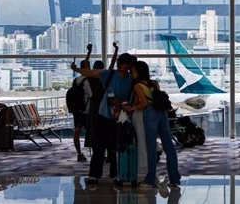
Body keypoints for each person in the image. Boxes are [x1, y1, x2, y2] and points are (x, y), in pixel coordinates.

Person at [72, 52, 137, 186]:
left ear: (129, 65)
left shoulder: (131, 79)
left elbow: (132, 99)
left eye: (123, 63)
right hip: (103, 115)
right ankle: (94, 175)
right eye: (119, 62)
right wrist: (77, 69)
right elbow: (90, 72)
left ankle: (115, 175)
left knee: (115, 147)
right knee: (98, 147)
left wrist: (120, 103)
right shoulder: (110, 74)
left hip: (119, 117)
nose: (119, 65)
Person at [122, 61, 181, 189]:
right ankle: (174, 178)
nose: (131, 73)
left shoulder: (138, 85)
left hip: (150, 114)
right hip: (162, 113)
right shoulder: (154, 83)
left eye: (133, 71)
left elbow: (144, 103)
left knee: (151, 147)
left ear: (138, 71)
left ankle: (150, 179)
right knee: (168, 146)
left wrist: (131, 108)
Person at [72, 59, 92, 162]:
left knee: (77, 132)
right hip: (87, 110)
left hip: (77, 111)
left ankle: (79, 153)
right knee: (92, 132)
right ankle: (93, 153)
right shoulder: (89, 80)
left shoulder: (76, 80)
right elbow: (91, 95)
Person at [84, 60, 106, 151]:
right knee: (104, 130)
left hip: (94, 106)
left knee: (93, 130)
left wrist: (88, 52)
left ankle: (95, 150)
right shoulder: (104, 78)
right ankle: (107, 152)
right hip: (104, 106)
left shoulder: (91, 78)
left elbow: (86, 66)